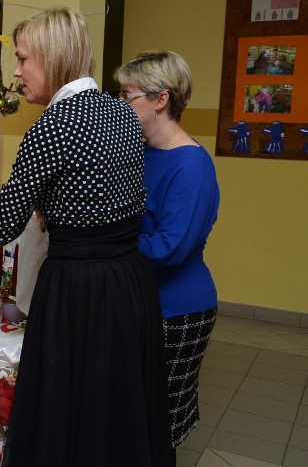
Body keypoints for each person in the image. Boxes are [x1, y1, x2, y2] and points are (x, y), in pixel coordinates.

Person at [0, 7, 174, 466]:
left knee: (69, 411)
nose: (16, 71)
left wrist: (45, 208)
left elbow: (0, 227)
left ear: (53, 58)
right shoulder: (122, 112)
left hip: (77, 289)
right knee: (119, 409)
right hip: (130, 282)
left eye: (24, 58)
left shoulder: (52, 126)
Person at [115, 50, 219, 448]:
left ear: (161, 100)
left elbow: (169, 248)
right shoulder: (139, 152)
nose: (121, 104)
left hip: (178, 310)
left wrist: (99, 241)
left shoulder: (191, 165)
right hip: (139, 299)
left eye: (129, 96)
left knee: (159, 425)